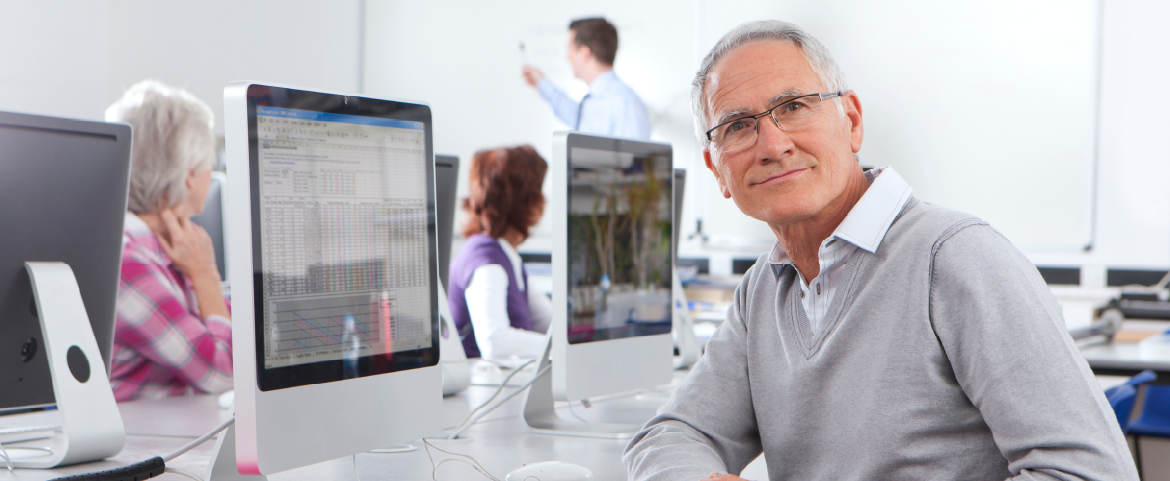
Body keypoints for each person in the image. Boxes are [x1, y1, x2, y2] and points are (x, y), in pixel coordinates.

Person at [623, 21, 1137, 481]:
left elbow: (1091, 473)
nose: (772, 143)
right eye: (738, 125)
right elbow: (668, 436)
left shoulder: (955, 257)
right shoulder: (764, 289)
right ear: (718, 173)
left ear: (851, 121)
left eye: (794, 106)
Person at [106, 80, 232, 402]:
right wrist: (206, 277)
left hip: (173, 427)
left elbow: (246, 346)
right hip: (140, 441)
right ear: (190, 175)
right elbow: (223, 370)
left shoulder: (173, 246)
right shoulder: (124, 259)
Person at [448, 145, 554, 360]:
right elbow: (494, 342)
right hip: (483, 389)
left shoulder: (507, 258)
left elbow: (551, 325)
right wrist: (562, 350)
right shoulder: (487, 262)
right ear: (527, 200)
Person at [523, 17, 651, 140]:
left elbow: (634, 159)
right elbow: (573, 114)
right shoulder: (597, 101)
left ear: (584, 53)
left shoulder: (624, 102)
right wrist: (541, 82)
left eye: (570, 50)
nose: (568, 57)